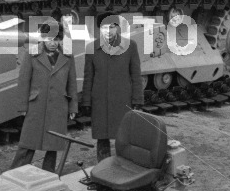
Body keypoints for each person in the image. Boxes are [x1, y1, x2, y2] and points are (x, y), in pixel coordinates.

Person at [11, 22, 77, 173]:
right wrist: (23, 107)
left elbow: (71, 83)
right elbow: (24, 81)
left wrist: (73, 107)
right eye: (49, 39)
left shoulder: (67, 56)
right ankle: (15, 172)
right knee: (27, 143)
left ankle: (48, 175)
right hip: (36, 106)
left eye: (57, 39)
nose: (53, 43)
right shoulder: (32, 53)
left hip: (59, 106)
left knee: (53, 145)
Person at [80, 14, 144, 162]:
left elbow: (136, 75)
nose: (108, 31)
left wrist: (138, 100)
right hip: (100, 102)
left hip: (123, 101)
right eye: (104, 27)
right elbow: (88, 77)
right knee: (102, 138)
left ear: (117, 27)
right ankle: (103, 169)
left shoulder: (130, 46)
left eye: (112, 27)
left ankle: (124, 168)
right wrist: (86, 102)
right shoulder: (91, 48)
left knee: (124, 138)